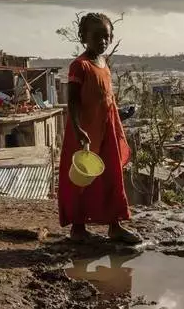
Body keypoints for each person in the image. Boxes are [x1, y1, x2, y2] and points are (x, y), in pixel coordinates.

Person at [57, 13, 141, 244]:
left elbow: (107, 99)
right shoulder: (80, 66)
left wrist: (118, 118)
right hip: (85, 132)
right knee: (81, 180)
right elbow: (72, 100)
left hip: (106, 130)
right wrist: (77, 128)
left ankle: (115, 225)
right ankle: (78, 227)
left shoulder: (104, 64)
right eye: (97, 37)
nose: (102, 41)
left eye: (106, 36)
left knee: (112, 174)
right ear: (84, 37)